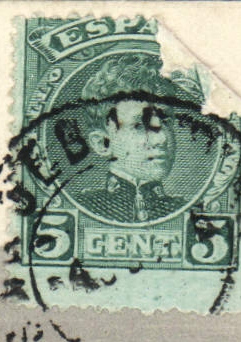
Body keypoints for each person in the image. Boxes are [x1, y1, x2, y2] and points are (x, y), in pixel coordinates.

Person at [71, 52, 204, 224]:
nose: (161, 138)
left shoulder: (190, 213)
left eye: (166, 121)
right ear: (103, 143)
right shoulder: (82, 207)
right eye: (139, 125)